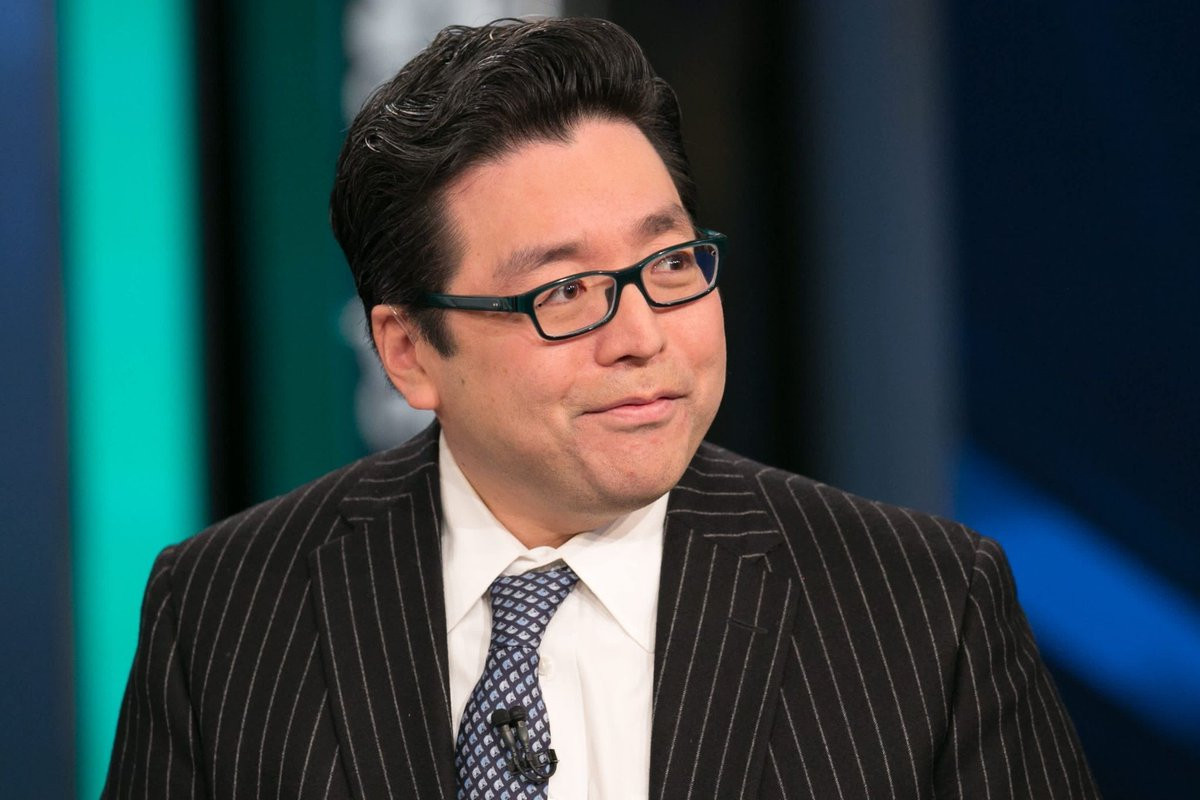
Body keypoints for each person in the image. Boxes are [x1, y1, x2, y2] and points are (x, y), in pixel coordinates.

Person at [103, 17, 1098, 799]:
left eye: (670, 264)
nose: (640, 336)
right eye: (565, 291)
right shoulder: (225, 613)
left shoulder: (924, 606)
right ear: (408, 353)